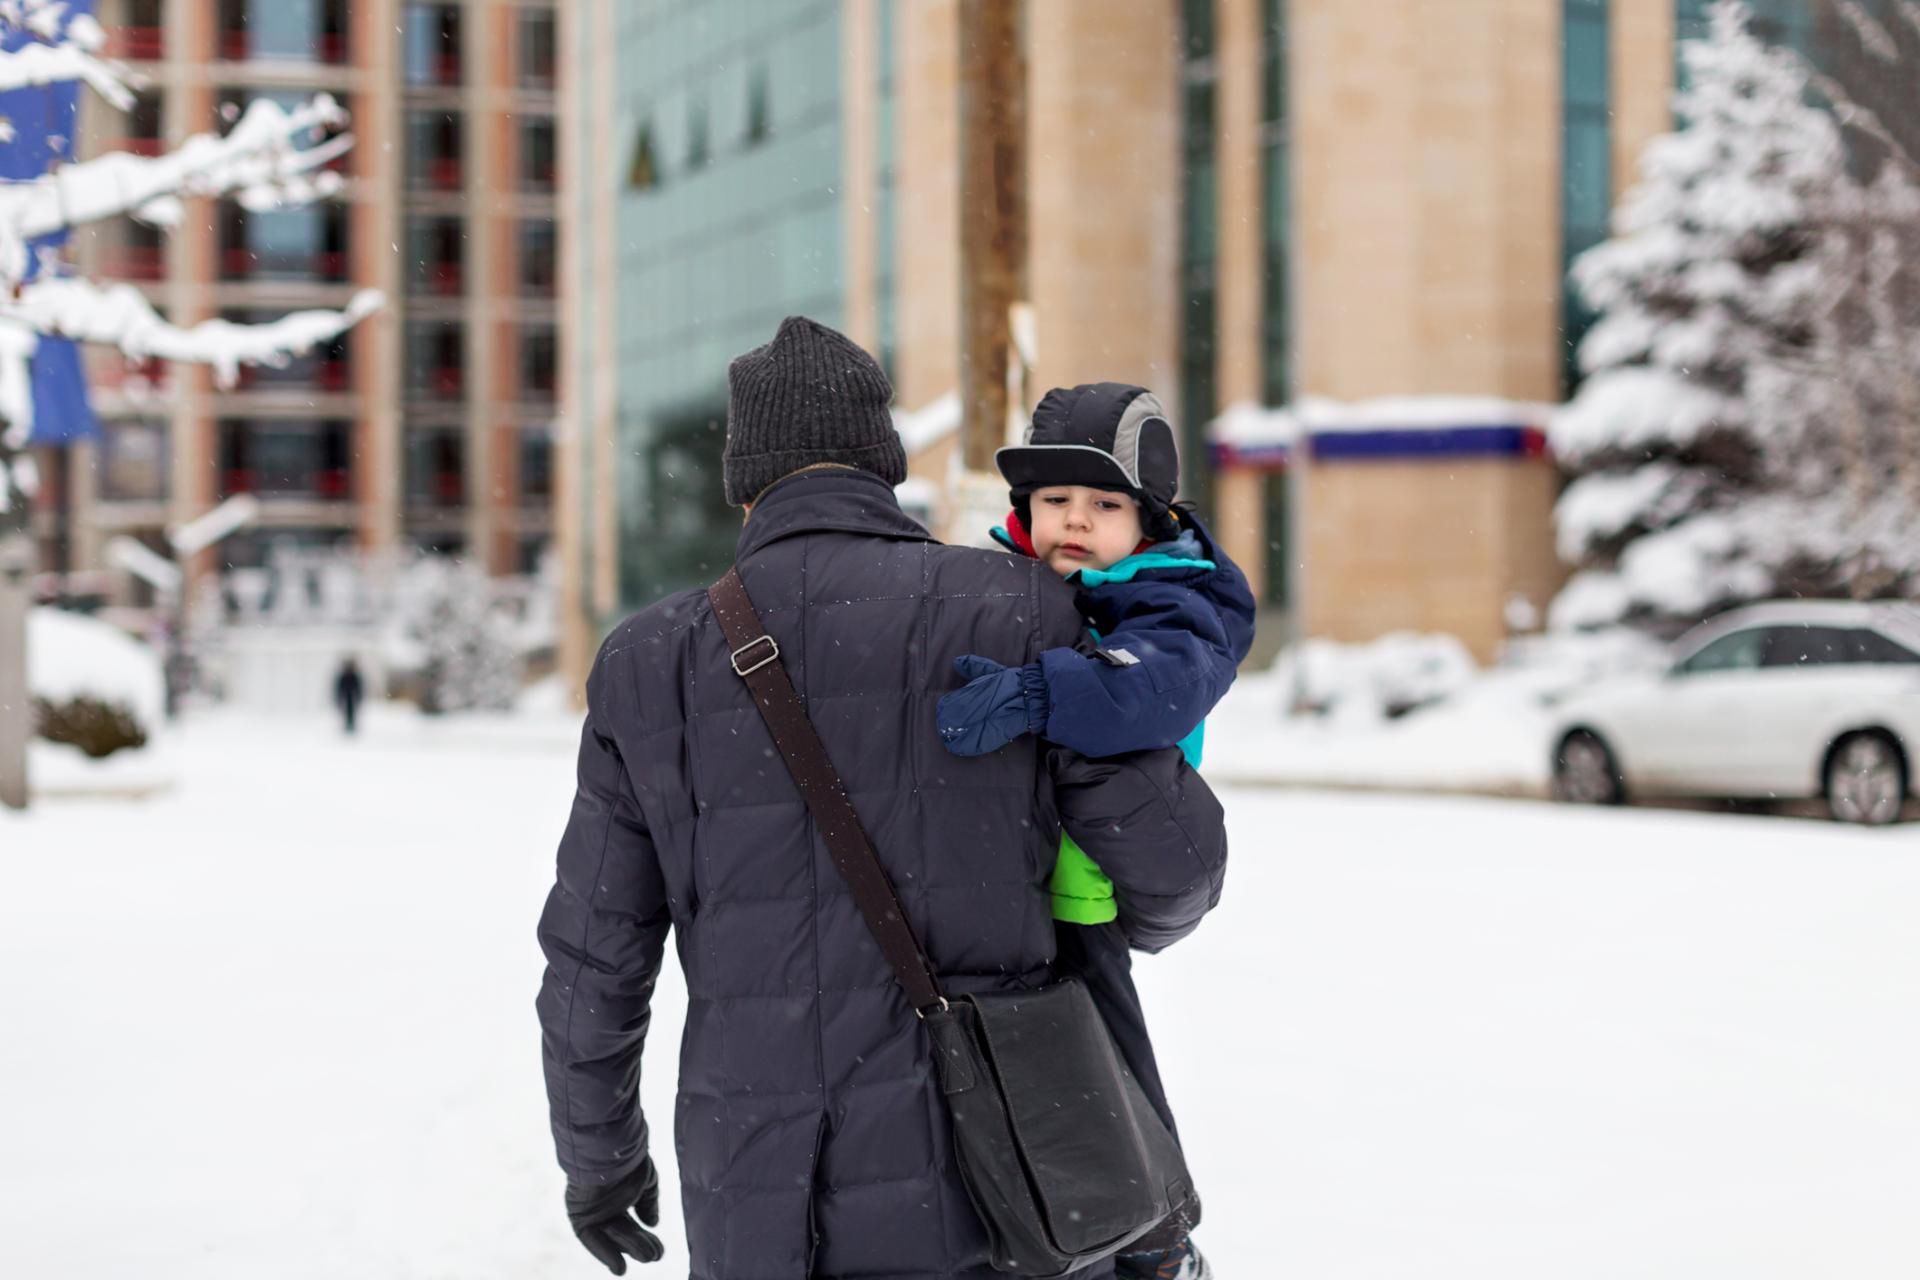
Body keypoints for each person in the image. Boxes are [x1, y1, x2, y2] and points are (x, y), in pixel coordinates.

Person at [535, 318, 1229, 1280]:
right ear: (883, 460)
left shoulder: (648, 663)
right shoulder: (1020, 607)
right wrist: (1108, 921)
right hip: (997, 1176)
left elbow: (593, 956)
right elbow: (1177, 866)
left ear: (743, 481)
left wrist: (599, 1159)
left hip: (757, 1183)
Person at [934, 382, 1257, 1280]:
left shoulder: (1177, 602)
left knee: (1102, 1051)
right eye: (1054, 501)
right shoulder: (998, 581)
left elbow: (1148, 691)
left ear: (1149, 520)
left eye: (1104, 503)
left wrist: (1042, 688)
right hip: (1011, 862)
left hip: (1091, 878)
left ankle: (1155, 1231)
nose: (1075, 521)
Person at [332, 655, 364, 736]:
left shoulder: (353, 675)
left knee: (351, 711)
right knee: (346, 711)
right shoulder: (345, 675)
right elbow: (339, 687)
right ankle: (347, 726)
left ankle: (351, 726)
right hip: (347, 696)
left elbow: (358, 687)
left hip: (351, 697)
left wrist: (359, 696)